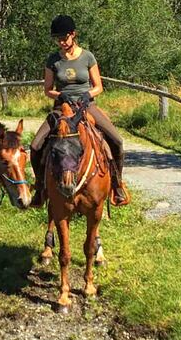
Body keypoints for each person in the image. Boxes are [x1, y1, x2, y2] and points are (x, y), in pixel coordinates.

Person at [30, 14, 129, 207]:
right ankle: (40, 187)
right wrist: (59, 95)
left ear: (73, 35)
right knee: (35, 146)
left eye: (64, 38)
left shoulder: (87, 56)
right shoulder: (53, 60)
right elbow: (47, 89)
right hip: (62, 109)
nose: (61, 42)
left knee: (117, 141)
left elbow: (99, 86)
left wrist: (87, 95)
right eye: (57, 39)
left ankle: (117, 185)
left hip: (87, 106)